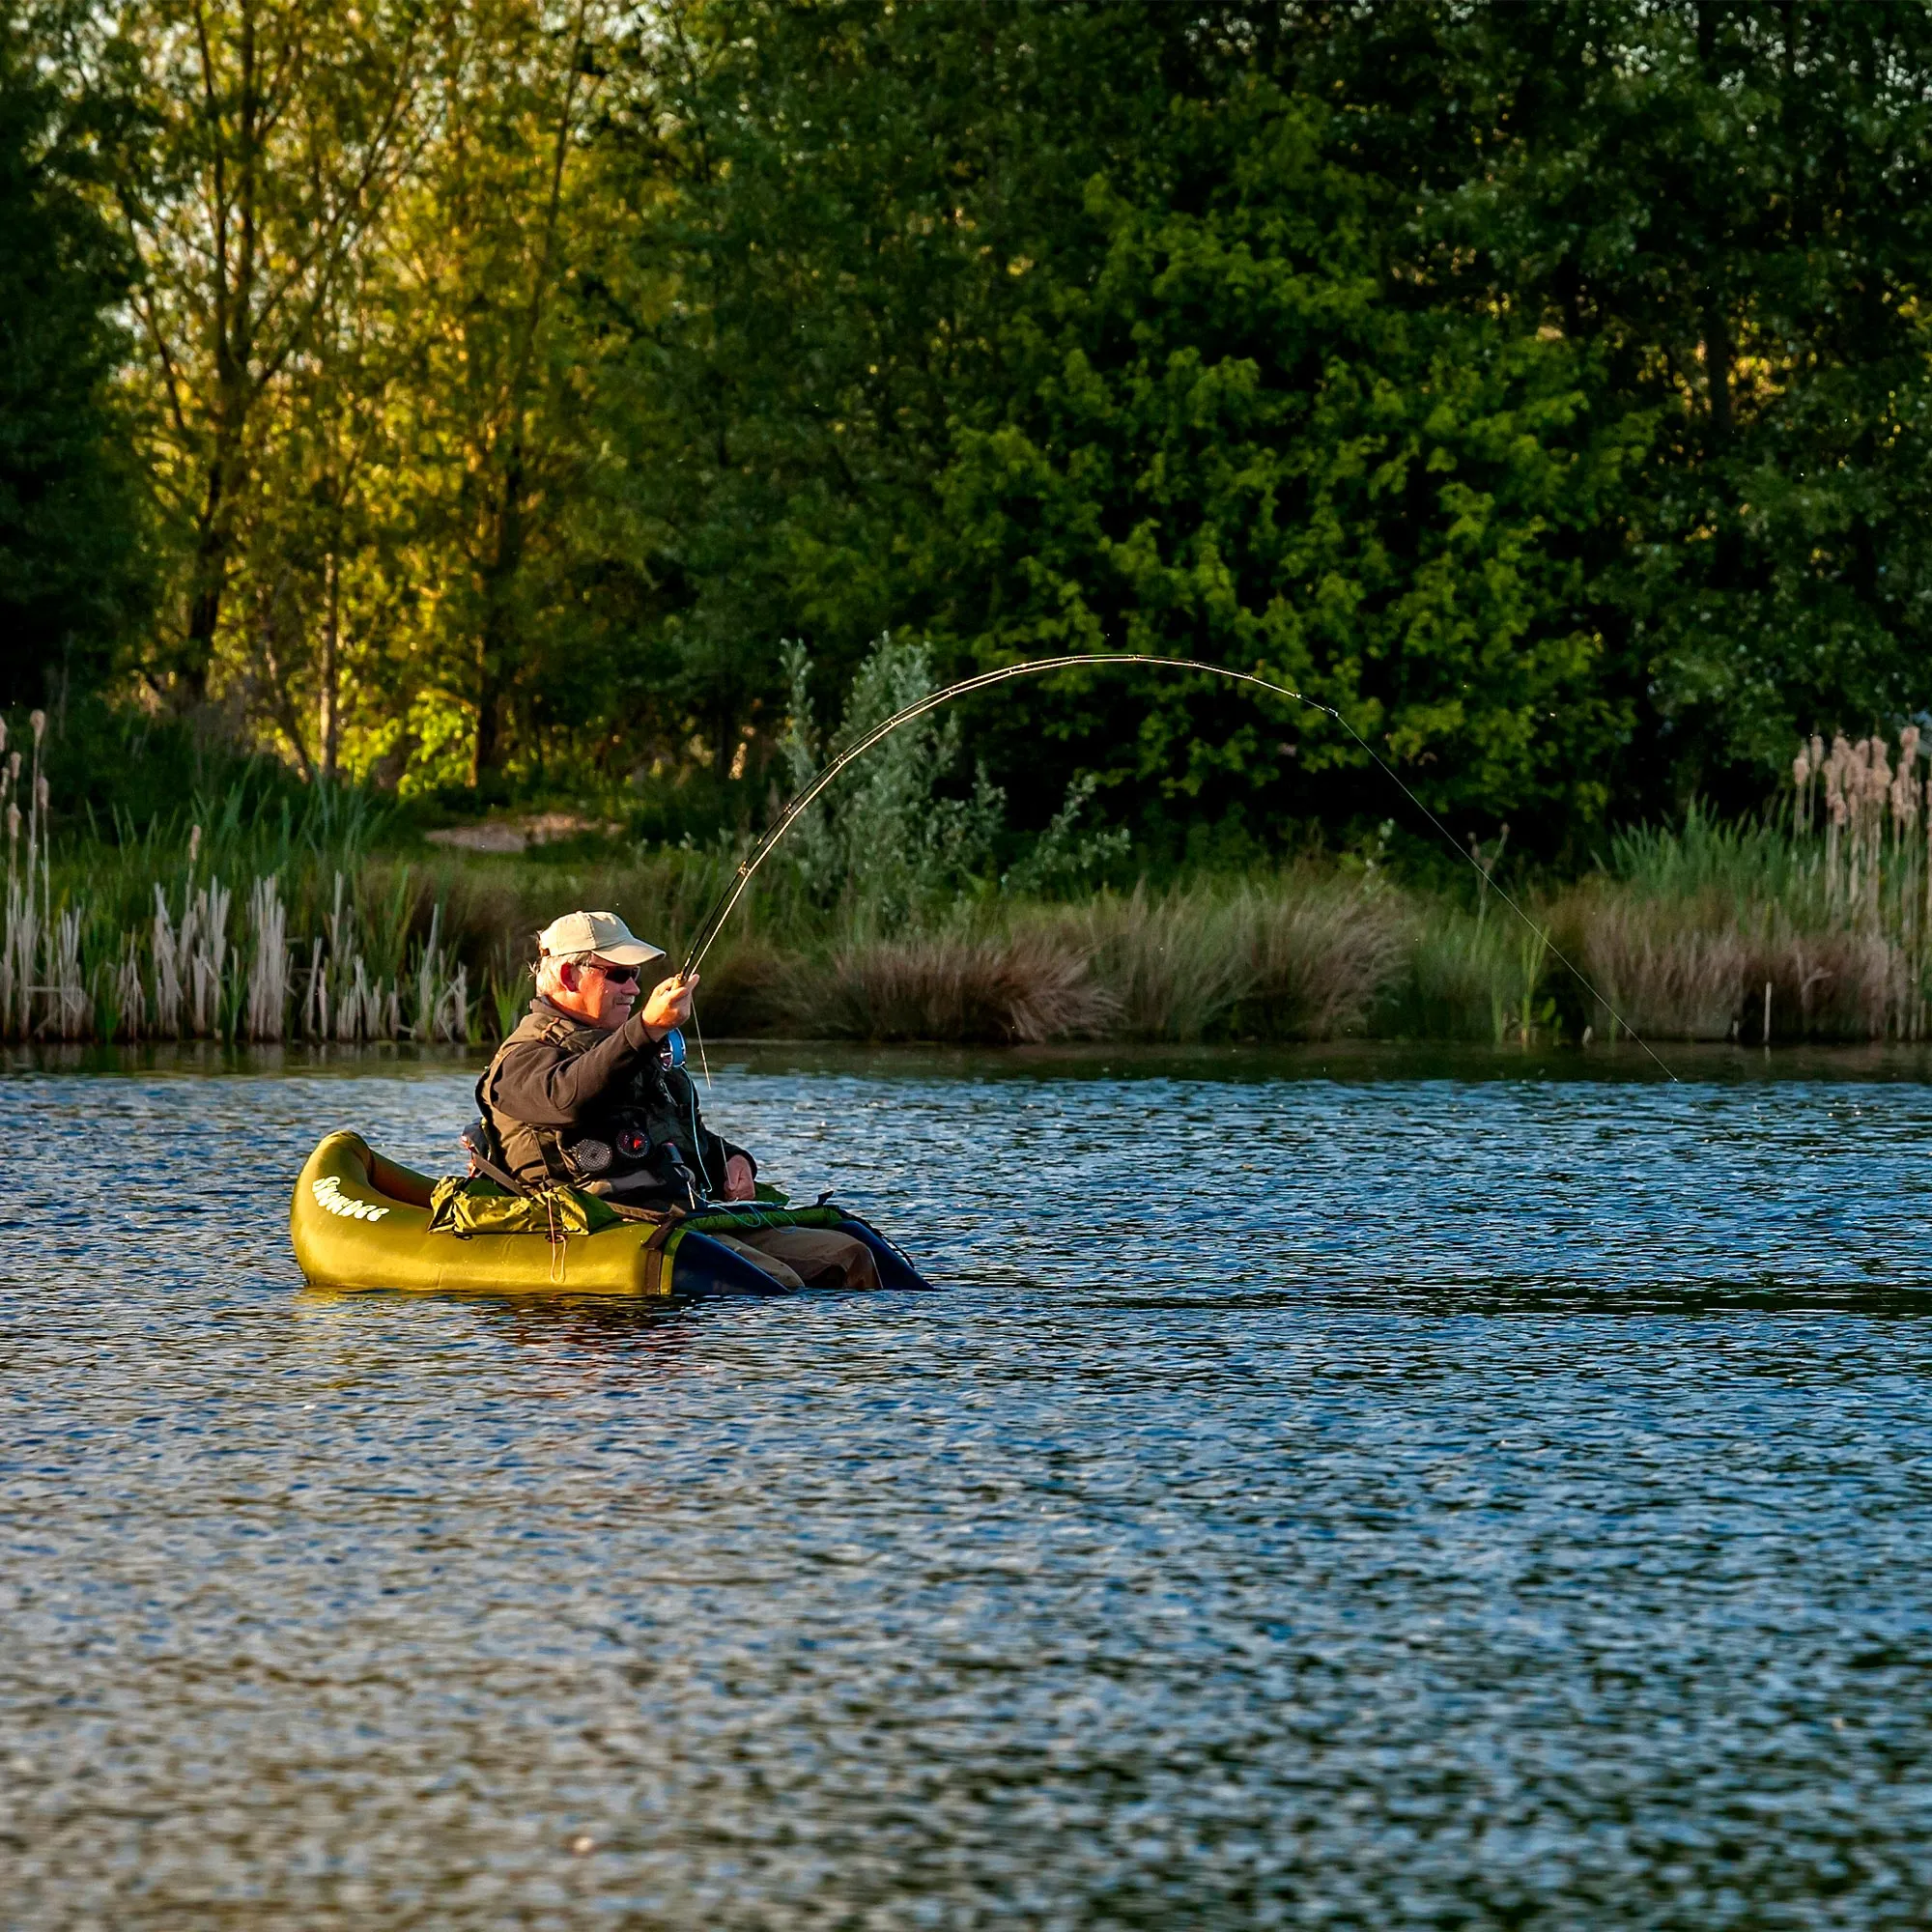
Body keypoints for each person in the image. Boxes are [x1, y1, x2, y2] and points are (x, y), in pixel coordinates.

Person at [475, 909, 879, 1291]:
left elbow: (681, 1134)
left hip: (686, 1216)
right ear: (568, 976)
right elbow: (568, 1099)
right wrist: (646, 1029)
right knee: (778, 1284)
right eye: (619, 975)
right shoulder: (523, 1059)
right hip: (611, 1227)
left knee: (851, 1254)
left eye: (635, 975)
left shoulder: (631, 1051)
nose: (634, 988)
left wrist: (732, 1161)